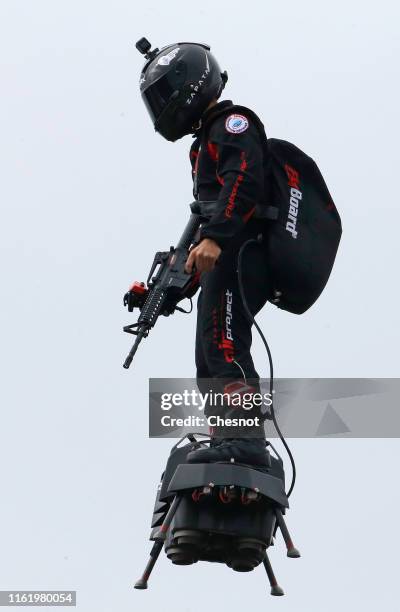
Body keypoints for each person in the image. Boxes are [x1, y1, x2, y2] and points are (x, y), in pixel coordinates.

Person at [137, 39, 273, 466]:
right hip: (226, 252)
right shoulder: (204, 141)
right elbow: (208, 223)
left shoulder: (232, 124)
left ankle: (246, 442)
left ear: (190, 85)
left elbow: (243, 181)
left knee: (226, 345)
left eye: (165, 94)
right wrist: (167, 290)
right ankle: (225, 439)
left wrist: (214, 238)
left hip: (242, 251)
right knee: (209, 355)